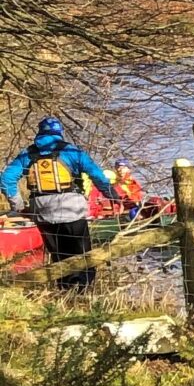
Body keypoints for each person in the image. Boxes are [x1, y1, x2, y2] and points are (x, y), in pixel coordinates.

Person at [3, 118, 115, 275]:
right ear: (60, 133)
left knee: (58, 257)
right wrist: (113, 196)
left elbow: (7, 179)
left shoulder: (27, 154)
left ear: (40, 132)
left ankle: (64, 289)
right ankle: (82, 291)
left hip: (42, 212)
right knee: (82, 256)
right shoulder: (72, 152)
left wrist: (19, 206)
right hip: (72, 209)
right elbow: (97, 175)